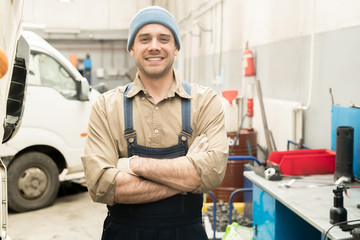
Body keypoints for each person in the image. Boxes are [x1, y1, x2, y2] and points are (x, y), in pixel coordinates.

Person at [81, 6, 228, 240]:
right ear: (132, 48)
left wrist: (134, 165)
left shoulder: (204, 101)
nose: (154, 46)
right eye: (144, 39)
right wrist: (187, 175)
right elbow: (101, 184)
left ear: (176, 47)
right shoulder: (106, 106)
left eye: (164, 38)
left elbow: (211, 174)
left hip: (187, 233)